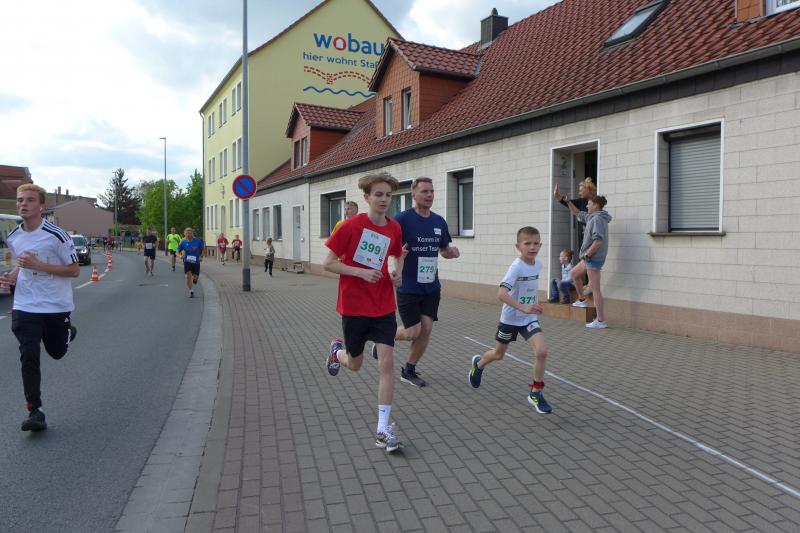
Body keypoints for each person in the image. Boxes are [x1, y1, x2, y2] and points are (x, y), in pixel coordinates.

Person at [323, 172, 407, 453]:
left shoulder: (394, 228)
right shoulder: (350, 226)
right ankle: (337, 353)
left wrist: (398, 273)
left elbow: (397, 254)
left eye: (388, 195)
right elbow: (328, 263)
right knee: (355, 365)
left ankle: (382, 428)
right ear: (367, 197)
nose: (384, 200)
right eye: (379, 195)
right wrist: (360, 272)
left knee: (387, 363)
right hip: (354, 306)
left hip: (383, 304)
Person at [0, 184, 80, 431]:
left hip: (55, 304)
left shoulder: (57, 235)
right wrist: (11, 276)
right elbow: (22, 263)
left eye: (29, 200)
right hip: (25, 304)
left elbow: (74, 270)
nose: (23, 204)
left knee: (56, 352)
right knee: (29, 353)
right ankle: (35, 410)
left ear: (41, 206)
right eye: (20, 200)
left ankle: (67, 333)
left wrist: (39, 266)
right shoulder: (14, 236)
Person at [374, 177, 459, 388]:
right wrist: (395, 260)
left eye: (431, 191)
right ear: (413, 195)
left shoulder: (439, 221)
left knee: (426, 328)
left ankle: (409, 370)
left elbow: (443, 249)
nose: (429, 195)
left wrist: (451, 252)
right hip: (408, 285)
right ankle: (384, 337)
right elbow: (386, 245)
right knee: (413, 331)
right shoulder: (402, 220)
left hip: (431, 286)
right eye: (424, 191)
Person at [468, 226, 553, 414]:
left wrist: (534, 304)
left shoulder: (537, 265)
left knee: (541, 352)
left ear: (540, 245)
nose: (532, 247)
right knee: (499, 355)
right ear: (518, 246)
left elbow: (528, 289)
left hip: (528, 319)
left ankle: (535, 393)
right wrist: (523, 307)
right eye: (527, 243)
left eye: (536, 243)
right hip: (510, 320)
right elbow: (501, 293)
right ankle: (478, 365)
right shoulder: (516, 267)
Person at [568, 195, 612, 329]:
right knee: (574, 274)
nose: (587, 206)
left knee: (595, 289)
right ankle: (582, 299)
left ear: (596, 205)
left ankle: (600, 320)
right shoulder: (592, 217)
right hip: (589, 257)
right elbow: (578, 213)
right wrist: (567, 201)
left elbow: (598, 241)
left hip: (593, 258)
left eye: (589, 204)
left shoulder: (597, 219)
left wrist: (587, 255)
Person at [177, 227, 203, 298]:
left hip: (196, 262)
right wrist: (180, 256)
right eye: (187, 233)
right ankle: (191, 291)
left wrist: (201, 256)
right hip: (187, 261)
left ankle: (195, 279)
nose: (188, 234)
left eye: (190, 233)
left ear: (192, 233)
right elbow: (177, 252)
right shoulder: (183, 242)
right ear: (184, 234)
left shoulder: (198, 241)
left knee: (195, 278)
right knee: (188, 276)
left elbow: (203, 249)